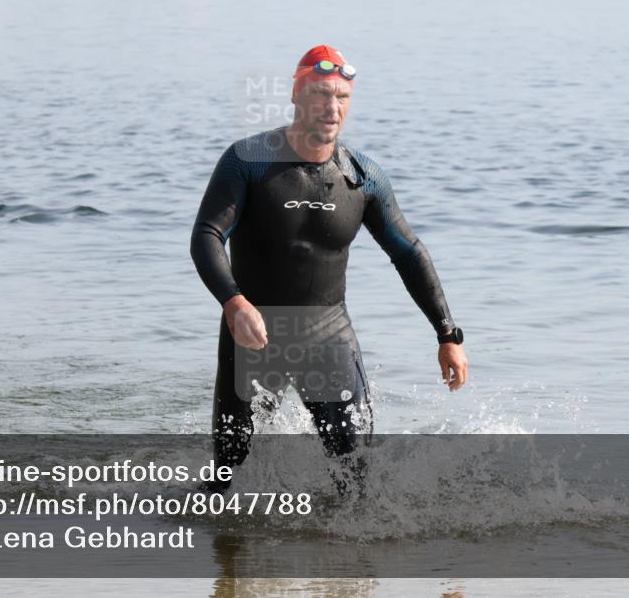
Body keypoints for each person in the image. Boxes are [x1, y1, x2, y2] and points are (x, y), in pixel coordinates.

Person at [190, 45, 468, 490]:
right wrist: (233, 302)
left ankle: (351, 562)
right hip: (253, 335)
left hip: (328, 335)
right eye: (321, 94)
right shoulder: (248, 161)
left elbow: (408, 252)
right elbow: (206, 235)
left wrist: (447, 334)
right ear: (297, 97)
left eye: (342, 97)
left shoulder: (362, 176)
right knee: (229, 474)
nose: (332, 107)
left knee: (356, 476)